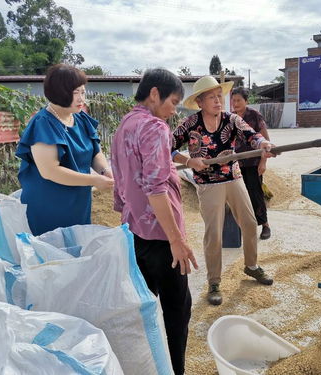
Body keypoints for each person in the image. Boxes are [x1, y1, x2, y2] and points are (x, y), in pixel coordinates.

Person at [111, 68, 198, 375]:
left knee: (146, 310)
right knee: (177, 313)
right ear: (154, 93)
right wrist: (177, 241)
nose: (174, 110)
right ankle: (174, 370)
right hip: (162, 238)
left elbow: (124, 177)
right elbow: (155, 188)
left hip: (134, 233)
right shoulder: (155, 127)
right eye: (173, 101)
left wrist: (188, 160)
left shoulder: (125, 125)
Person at [172, 75, 274, 306]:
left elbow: (252, 135)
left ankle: (251, 266)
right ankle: (214, 281)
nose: (218, 101)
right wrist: (188, 161)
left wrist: (263, 145)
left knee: (249, 223)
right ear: (200, 102)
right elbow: (167, 147)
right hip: (208, 184)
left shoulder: (231, 119)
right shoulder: (189, 125)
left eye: (220, 96)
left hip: (233, 177)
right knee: (214, 234)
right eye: (212, 97)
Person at [16, 64, 114, 236]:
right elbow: (50, 171)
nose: (81, 98)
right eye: (75, 93)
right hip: (49, 203)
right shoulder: (43, 123)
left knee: (76, 244)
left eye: (83, 92)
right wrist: (93, 180)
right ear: (58, 92)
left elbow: (95, 153)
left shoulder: (81, 119)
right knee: (53, 252)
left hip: (77, 201)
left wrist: (104, 170)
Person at [231, 87, 272, 240]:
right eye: (233, 100)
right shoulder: (231, 117)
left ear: (246, 101)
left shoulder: (254, 115)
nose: (235, 103)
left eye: (238, 100)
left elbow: (266, 141)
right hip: (237, 164)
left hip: (254, 163)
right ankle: (246, 227)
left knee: (256, 194)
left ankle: (265, 225)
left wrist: (263, 162)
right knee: (242, 196)